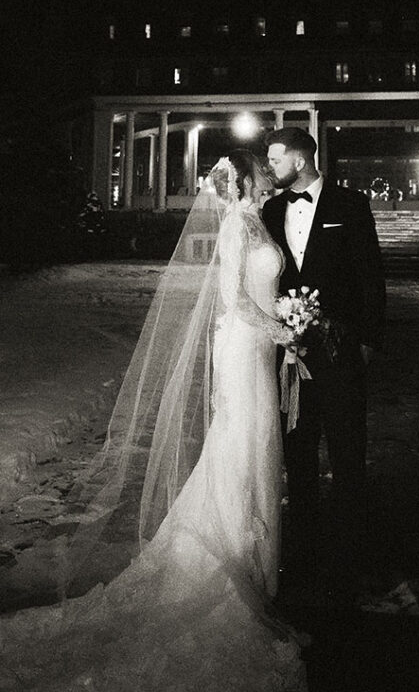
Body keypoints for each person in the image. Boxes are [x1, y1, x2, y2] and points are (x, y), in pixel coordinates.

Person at [0, 150, 308, 692]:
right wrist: (280, 328)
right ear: (243, 179)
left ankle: (253, 556)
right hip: (244, 343)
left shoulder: (259, 217)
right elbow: (233, 298)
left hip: (261, 344)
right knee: (242, 437)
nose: (266, 171)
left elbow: (261, 289)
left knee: (257, 440)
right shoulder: (238, 224)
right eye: (258, 167)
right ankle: (228, 543)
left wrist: (287, 314)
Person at [263, 128, 386, 609]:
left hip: (339, 351)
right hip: (288, 357)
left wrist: (370, 339)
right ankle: (305, 551)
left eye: (276, 158)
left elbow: (370, 274)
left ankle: (351, 552)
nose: (270, 166)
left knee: (347, 449)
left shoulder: (349, 205)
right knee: (298, 452)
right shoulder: (271, 211)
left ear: (299, 158)